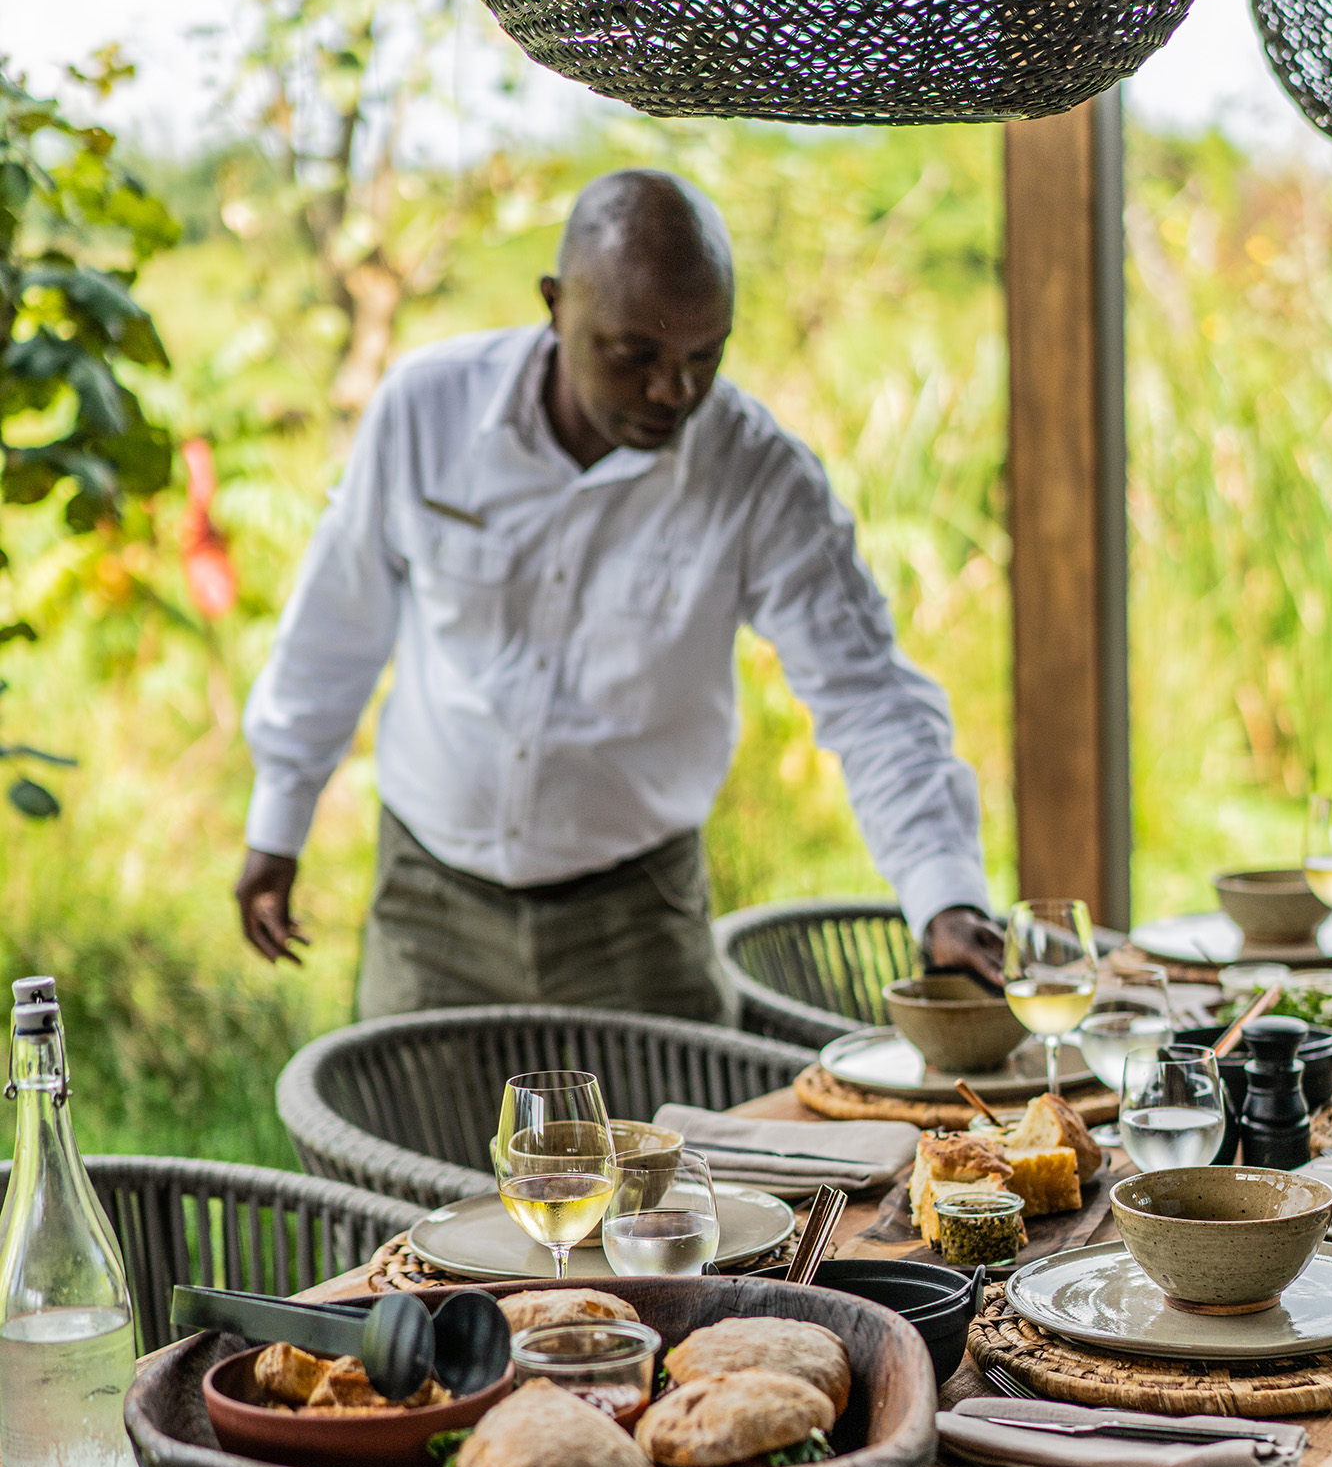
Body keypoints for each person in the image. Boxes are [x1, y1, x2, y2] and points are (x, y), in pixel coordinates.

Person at [235, 168, 1003, 1021]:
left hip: (638, 919)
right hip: (430, 908)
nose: (671, 392)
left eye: (702, 359)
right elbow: (338, 622)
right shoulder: (426, 409)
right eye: (635, 355)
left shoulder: (759, 476)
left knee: (673, 1154)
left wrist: (945, 894)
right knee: (405, 1154)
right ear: (556, 305)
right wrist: (278, 823)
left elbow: (871, 695)